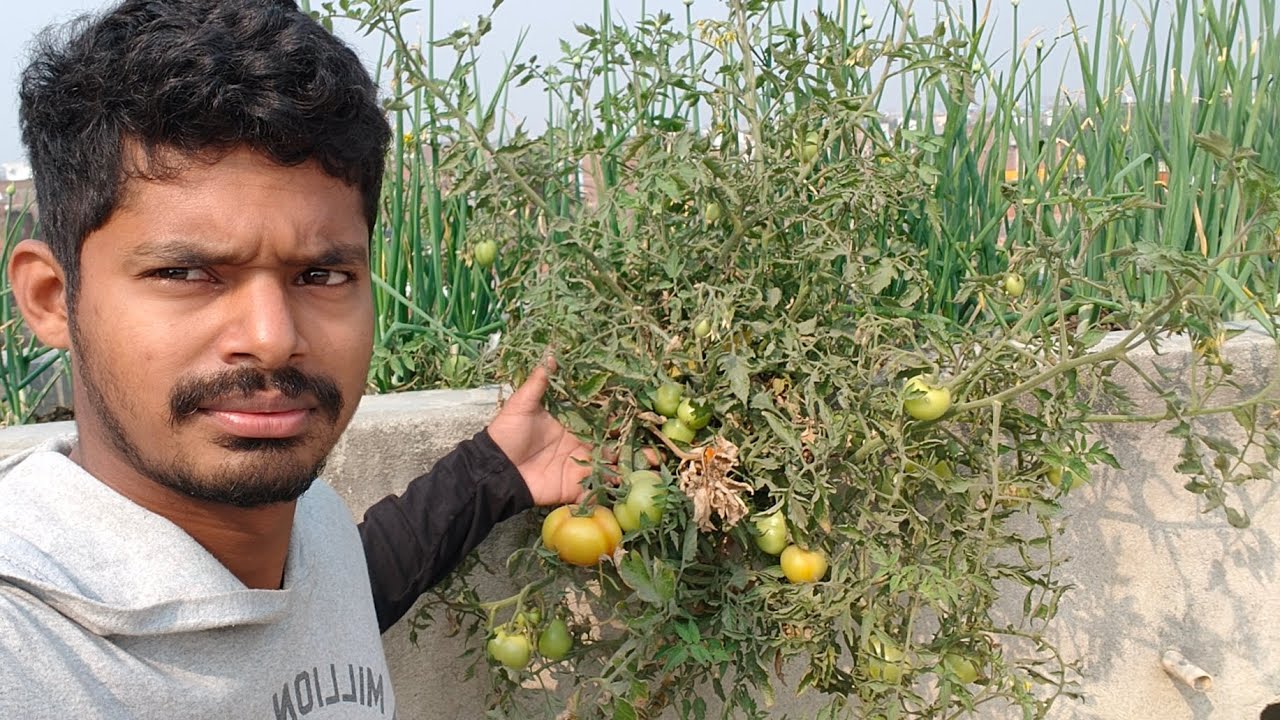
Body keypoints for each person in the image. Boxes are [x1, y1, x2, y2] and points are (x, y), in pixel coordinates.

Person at [0, 1, 593, 717]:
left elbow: (324, 600)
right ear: (51, 298)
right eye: (187, 275)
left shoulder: (304, 526)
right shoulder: (31, 647)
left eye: (321, 276)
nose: (273, 337)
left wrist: (496, 468)